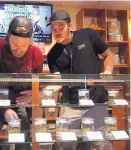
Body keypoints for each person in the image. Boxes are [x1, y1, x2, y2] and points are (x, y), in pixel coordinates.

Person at [46, 10, 114, 150]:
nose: (56, 31)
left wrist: (108, 71)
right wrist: (39, 93)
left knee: (100, 144)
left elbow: (108, 55)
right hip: (70, 104)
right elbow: (58, 81)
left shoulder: (87, 35)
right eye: (53, 28)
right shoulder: (52, 54)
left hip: (96, 101)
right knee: (65, 143)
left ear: (69, 26)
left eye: (60, 26)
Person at [0, 16, 43, 150]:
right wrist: (4, 108)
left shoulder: (36, 54)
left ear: (30, 41)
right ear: (7, 38)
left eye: (23, 45)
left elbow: (37, 82)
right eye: (15, 45)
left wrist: (33, 93)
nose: (18, 49)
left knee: (23, 144)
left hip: (19, 101)